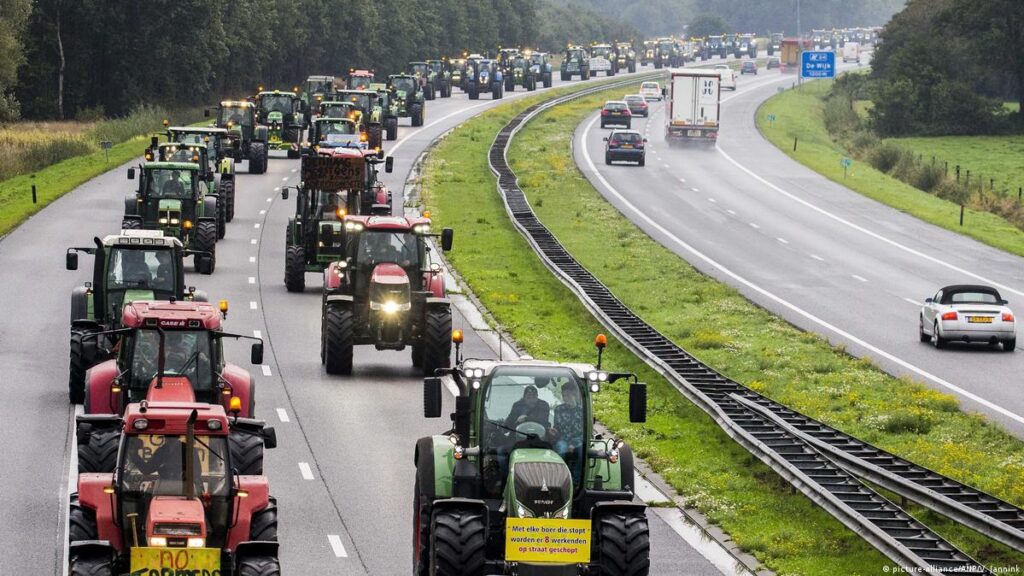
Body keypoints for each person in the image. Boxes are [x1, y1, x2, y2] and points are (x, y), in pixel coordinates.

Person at [550, 383, 585, 484]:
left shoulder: (582, 411)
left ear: (574, 395)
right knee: (560, 450)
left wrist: (573, 444)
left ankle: (576, 481)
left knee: (582, 452)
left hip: (578, 440)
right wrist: (554, 432)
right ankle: (560, 479)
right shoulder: (559, 409)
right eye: (564, 396)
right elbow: (557, 426)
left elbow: (585, 431)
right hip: (563, 439)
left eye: (568, 395)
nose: (566, 398)